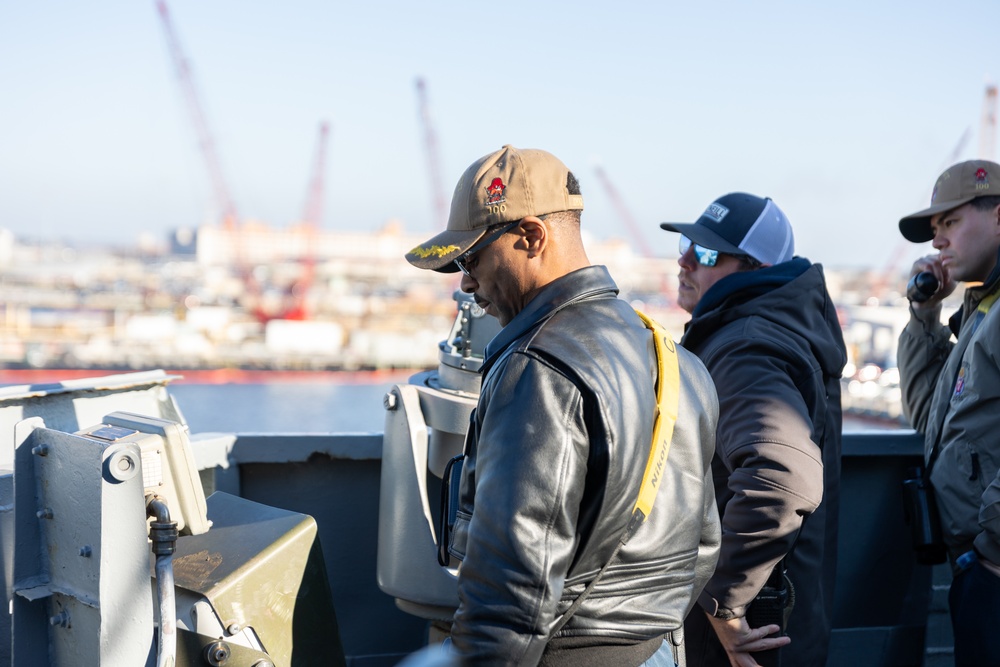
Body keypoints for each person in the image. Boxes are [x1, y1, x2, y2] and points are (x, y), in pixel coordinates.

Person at [405, 145, 721, 667]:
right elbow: (704, 544)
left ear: (532, 236)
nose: (465, 282)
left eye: (471, 257)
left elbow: (512, 589)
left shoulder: (537, 367)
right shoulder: (674, 358)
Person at [660, 193, 847, 667]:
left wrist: (724, 602)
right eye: (687, 244)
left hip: (743, 636)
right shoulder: (782, 328)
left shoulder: (743, 344)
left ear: (754, 267)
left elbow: (780, 476)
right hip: (785, 618)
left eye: (705, 253)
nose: (683, 261)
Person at [896, 159, 1000, 667]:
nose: (936, 242)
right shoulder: (983, 311)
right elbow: (926, 417)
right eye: (934, 231)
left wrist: (992, 552)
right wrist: (925, 314)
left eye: (951, 223)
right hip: (976, 565)